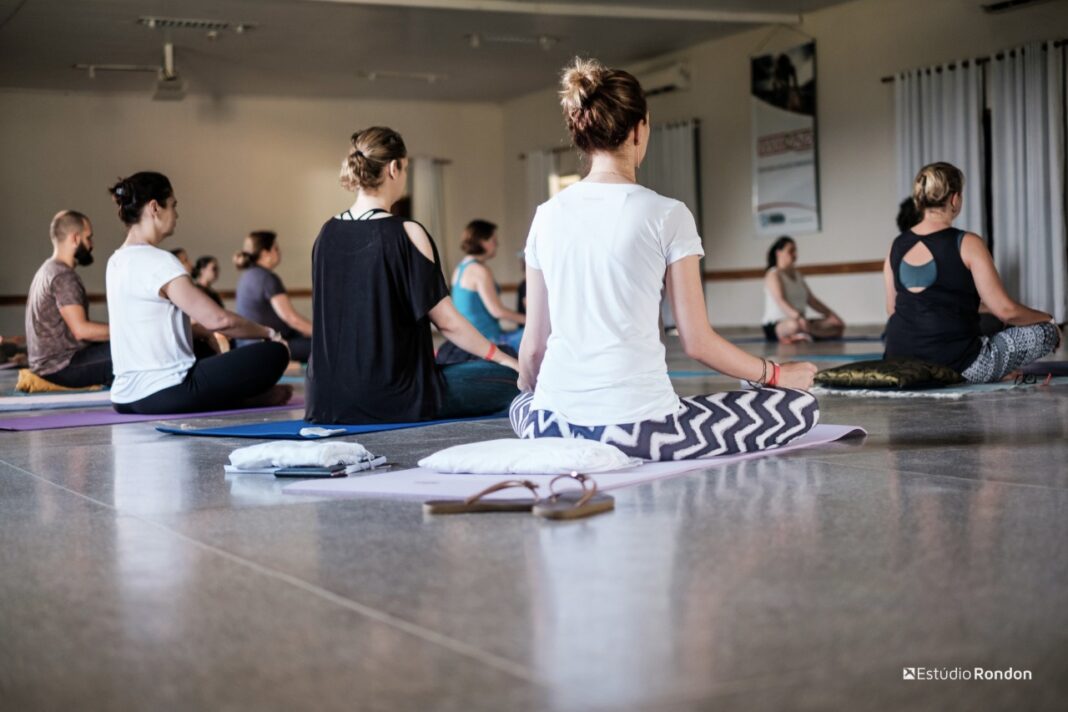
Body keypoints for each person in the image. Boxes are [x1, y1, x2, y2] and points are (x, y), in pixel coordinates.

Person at [510, 58, 818, 461]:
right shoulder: (667, 214)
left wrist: (557, 402)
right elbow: (696, 341)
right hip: (640, 430)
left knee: (518, 404)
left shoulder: (545, 215)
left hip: (549, 427)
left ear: (581, 132)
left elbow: (532, 352)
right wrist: (777, 374)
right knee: (801, 406)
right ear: (639, 129)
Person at [305, 126, 519, 424]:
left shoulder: (326, 233)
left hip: (323, 399)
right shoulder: (406, 232)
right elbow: (447, 322)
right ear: (394, 168)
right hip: (394, 397)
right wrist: (503, 359)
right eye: (405, 168)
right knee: (509, 378)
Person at [105, 172, 291, 414]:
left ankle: (241, 398)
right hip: (168, 391)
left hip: (124, 398)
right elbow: (218, 319)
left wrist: (201, 333)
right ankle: (245, 399)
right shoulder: (160, 261)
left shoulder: (116, 261)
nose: (177, 214)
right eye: (173, 205)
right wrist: (268, 333)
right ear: (154, 208)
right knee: (275, 354)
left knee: (204, 345)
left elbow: (148, 325)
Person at [884, 162, 1060, 382]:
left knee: (984, 326)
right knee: (1045, 333)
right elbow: (1005, 310)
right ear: (955, 199)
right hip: (960, 364)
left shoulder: (896, 245)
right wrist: (1048, 319)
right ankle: (985, 373)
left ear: (920, 199)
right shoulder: (967, 242)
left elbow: (892, 310)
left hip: (898, 360)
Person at [24, 210, 113, 387]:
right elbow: (82, 330)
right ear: (75, 238)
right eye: (88, 238)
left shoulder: (47, 269)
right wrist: (128, 331)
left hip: (47, 365)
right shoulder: (63, 276)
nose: (91, 244)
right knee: (134, 348)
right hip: (60, 368)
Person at [437, 220, 526, 365]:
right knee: (538, 335)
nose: (496, 244)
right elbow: (497, 312)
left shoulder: (460, 268)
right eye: (493, 240)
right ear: (482, 242)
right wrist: (528, 319)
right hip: (485, 339)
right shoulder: (480, 271)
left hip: (467, 338)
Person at [234, 231, 312, 363]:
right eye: (276, 248)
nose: (279, 252)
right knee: (329, 346)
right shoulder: (267, 278)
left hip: (248, 346)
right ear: (265, 253)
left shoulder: (248, 275)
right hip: (266, 347)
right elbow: (291, 319)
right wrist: (322, 335)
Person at [762, 236, 845, 342]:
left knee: (835, 324)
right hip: (778, 324)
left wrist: (831, 314)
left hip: (802, 321)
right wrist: (798, 317)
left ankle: (805, 334)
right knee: (794, 325)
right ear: (779, 253)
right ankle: (807, 334)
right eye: (791, 251)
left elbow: (812, 300)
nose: (795, 254)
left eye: (795, 251)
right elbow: (780, 300)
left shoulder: (797, 275)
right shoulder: (773, 274)